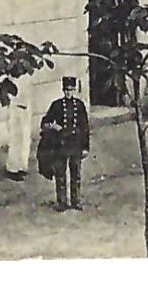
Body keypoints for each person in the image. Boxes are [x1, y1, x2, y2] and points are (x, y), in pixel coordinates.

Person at [38, 75, 90, 211]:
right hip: (61, 144)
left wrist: (85, 147)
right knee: (60, 174)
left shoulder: (79, 105)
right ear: (63, 90)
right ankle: (62, 202)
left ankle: (76, 200)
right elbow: (45, 122)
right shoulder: (57, 105)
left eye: (71, 90)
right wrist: (53, 126)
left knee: (76, 174)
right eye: (66, 90)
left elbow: (85, 127)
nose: (69, 92)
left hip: (75, 143)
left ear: (74, 90)